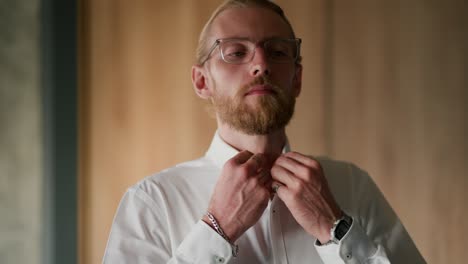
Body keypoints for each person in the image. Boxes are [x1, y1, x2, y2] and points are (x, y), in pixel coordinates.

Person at [103, 0, 425, 263]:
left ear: (297, 79)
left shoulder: (353, 187)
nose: (261, 64)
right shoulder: (151, 203)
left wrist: (336, 230)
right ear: (202, 81)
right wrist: (216, 230)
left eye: (277, 52)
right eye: (237, 52)